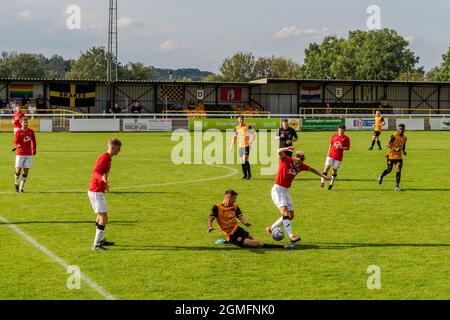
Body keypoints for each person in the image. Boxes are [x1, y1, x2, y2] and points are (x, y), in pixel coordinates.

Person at [267, 147, 330, 243]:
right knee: (284, 213)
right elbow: (278, 151)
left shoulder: (301, 166)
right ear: (294, 158)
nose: (297, 165)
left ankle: (271, 228)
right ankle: (291, 236)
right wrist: (287, 148)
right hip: (278, 189)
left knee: (291, 216)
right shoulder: (286, 159)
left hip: (286, 191)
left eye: (299, 163)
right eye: (296, 162)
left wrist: (323, 176)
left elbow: (312, 169)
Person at [208, 189, 295, 250]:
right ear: (228, 197)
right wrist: (210, 226)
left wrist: (245, 222)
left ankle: (227, 242)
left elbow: (240, 216)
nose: (235, 201)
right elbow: (211, 219)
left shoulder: (234, 206)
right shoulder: (217, 207)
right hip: (231, 235)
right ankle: (283, 247)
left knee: (252, 239)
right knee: (257, 244)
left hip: (238, 230)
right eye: (234, 198)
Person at [88, 138, 122, 251]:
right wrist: (101, 178)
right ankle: (96, 245)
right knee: (104, 217)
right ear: (112, 147)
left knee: (100, 215)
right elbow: (96, 171)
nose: (119, 150)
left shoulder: (108, 158)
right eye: (118, 148)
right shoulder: (105, 158)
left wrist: (104, 183)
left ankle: (100, 239)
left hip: (96, 190)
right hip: (96, 191)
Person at [320, 124, 350, 190]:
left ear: (344, 131)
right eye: (339, 130)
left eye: (342, 130)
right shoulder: (334, 136)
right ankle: (322, 182)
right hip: (330, 155)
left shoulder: (346, 138)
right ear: (338, 130)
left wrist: (341, 147)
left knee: (334, 170)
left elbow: (347, 148)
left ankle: (331, 183)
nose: (340, 131)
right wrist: (328, 153)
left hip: (338, 157)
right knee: (326, 168)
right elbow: (330, 144)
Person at [378, 124, 407, 191]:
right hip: (391, 156)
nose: (401, 130)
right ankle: (381, 176)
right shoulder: (393, 136)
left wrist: (404, 152)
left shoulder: (405, 138)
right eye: (400, 129)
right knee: (389, 170)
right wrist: (395, 148)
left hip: (399, 157)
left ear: (404, 129)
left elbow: (404, 145)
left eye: (402, 129)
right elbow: (387, 144)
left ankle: (397, 186)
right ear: (398, 129)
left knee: (398, 169)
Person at [14, 117, 37, 193]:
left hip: (28, 154)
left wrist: (34, 149)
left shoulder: (31, 131)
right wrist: (17, 145)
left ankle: (21, 188)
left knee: (26, 170)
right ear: (21, 123)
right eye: (24, 122)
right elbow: (16, 142)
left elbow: (33, 140)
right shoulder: (18, 132)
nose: (26, 124)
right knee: (18, 170)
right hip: (20, 153)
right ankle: (16, 182)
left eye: (27, 122)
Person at [230, 116, 256, 180]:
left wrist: (251, 140)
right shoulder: (236, 128)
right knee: (241, 161)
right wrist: (232, 145)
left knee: (245, 159)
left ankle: (249, 175)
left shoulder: (247, 126)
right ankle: (245, 175)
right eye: (240, 119)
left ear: (243, 120)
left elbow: (254, 134)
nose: (241, 120)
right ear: (238, 120)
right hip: (240, 146)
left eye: (242, 119)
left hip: (246, 145)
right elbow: (234, 137)